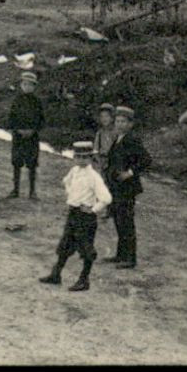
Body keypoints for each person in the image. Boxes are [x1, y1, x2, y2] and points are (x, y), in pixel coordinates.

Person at [39, 141, 113, 292]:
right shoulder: (74, 170)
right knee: (65, 244)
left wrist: (93, 209)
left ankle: (84, 280)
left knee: (86, 249)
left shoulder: (94, 177)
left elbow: (106, 198)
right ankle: (56, 274)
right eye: (78, 156)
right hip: (73, 213)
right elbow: (65, 182)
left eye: (85, 157)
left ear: (91, 158)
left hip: (85, 217)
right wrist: (72, 196)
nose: (81, 160)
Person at [105, 105, 153, 269]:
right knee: (119, 221)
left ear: (130, 124)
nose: (119, 124)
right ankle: (120, 255)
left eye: (123, 121)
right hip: (116, 187)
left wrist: (130, 173)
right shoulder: (118, 138)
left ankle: (130, 258)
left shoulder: (132, 140)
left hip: (127, 188)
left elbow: (146, 160)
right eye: (117, 121)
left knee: (126, 222)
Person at [6, 70, 44, 200]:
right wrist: (18, 130)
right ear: (21, 85)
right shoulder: (16, 100)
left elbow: (41, 120)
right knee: (16, 163)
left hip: (32, 138)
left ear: (34, 86)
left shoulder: (37, 102)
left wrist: (32, 130)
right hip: (18, 137)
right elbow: (11, 119)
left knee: (32, 164)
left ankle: (32, 191)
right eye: (25, 84)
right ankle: (15, 190)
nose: (27, 86)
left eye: (30, 84)